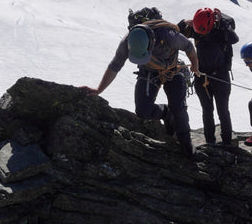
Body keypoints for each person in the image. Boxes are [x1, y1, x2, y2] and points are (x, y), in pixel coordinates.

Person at [84, 15, 200, 157]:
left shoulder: (169, 36)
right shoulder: (128, 42)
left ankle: (185, 141)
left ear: (153, 41)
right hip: (148, 71)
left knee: (178, 107)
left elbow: (189, 46)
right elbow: (115, 66)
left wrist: (194, 65)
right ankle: (166, 113)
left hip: (173, 68)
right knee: (143, 110)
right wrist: (99, 89)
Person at [178, 8, 239, 146]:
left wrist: (222, 22)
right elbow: (177, 31)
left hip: (218, 77)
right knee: (209, 110)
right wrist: (185, 22)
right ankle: (211, 142)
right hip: (203, 77)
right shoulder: (198, 28)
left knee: (221, 111)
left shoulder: (221, 31)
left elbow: (234, 39)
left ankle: (226, 143)